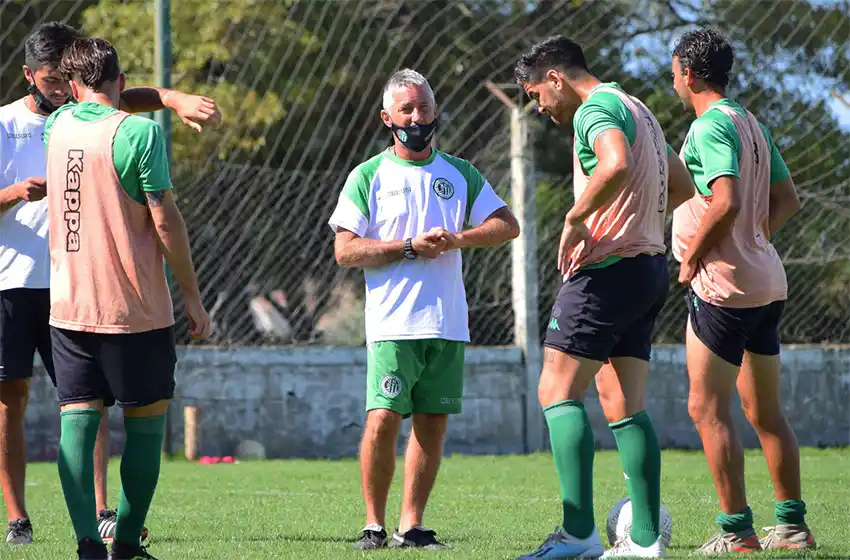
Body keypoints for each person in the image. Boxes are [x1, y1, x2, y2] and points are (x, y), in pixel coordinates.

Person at [0, 21, 219, 547]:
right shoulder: (138, 133)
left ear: (72, 88)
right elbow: (165, 221)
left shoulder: (59, 128)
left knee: (77, 419)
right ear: (120, 80)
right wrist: (191, 294)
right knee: (142, 424)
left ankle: (87, 541)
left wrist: (165, 97)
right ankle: (120, 539)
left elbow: (97, 100)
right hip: (131, 308)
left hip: (68, 308)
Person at [512, 35, 695, 559]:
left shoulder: (596, 110)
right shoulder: (638, 108)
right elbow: (679, 186)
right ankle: (643, 543)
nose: (541, 108)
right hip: (647, 269)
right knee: (623, 404)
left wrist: (577, 220)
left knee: (556, 392)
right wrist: (634, 221)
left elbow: (613, 163)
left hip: (606, 273)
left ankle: (577, 535)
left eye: (536, 95)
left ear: (556, 78)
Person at [328, 68, 520, 550]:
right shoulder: (368, 175)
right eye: (408, 109)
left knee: (432, 425)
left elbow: (507, 225)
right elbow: (345, 250)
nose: (418, 117)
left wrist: (458, 238)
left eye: (425, 108)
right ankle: (374, 524)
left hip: (448, 324)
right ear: (387, 117)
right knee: (383, 419)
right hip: (393, 324)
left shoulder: (460, 173)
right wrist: (409, 247)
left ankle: (410, 526)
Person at [670, 27, 815, 554]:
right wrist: (755, 239)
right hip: (765, 281)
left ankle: (737, 532)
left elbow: (725, 199)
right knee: (765, 412)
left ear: (687, 72)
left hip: (723, 289)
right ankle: (793, 528)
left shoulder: (709, 126)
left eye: (674, 71)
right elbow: (788, 198)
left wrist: (691, 257)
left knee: (707, 410)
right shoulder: (750, 122)